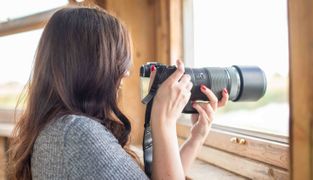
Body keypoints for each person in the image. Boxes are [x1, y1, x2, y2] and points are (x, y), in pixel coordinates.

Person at [8, 6, 228, 180]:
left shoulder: (63, 129)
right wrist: (163, 121)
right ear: (91, 65)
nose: (127, 71)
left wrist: (195, 138)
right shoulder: (75, 133)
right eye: (119, 59)